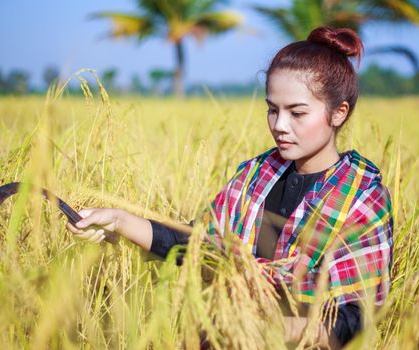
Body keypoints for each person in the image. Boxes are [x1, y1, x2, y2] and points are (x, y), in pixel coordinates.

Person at [66, 26, 393, 349]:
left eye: (297, 112)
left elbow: (358, 316)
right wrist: (120, 221)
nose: (279, 125)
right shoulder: (256, 175)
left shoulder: (362, 197)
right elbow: (198, 244)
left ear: (338, 113)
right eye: (272, 109)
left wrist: (269, 329)